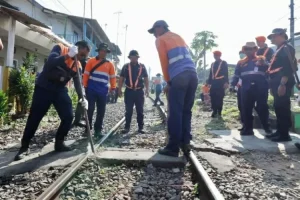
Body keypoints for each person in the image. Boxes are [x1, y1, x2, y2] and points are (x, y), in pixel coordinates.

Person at [14, 41, 89, 161]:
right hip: (44, 87)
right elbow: (50, 63)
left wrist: (83, 97)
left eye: (85, 56)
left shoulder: (78, 65)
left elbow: (78, 83)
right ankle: (24, 147)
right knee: (35, 117)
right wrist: (68, 55)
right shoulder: (60, 48)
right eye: (81, 54)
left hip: (59, 90)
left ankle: (59, 143)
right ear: (76, 49)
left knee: (68, 116)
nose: (82, 58)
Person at [148, 20, 198, 157]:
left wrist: (168, 82)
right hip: (193, 75)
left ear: (160, 28)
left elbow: (164, 61)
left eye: (154, 32)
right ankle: (186, 142)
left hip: (179, 76)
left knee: (175, 112)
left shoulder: (161, 39)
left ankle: (173, 147)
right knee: (186, 111)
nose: (154, 35)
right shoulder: (178, 36)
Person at [232, 42, 272, 136]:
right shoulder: (241, 62)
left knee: (262, 107)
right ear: (244, 50)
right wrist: (232, 85)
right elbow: (236, 75)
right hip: (245, 88)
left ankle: (267, 128)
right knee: (246, 108)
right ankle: (248, 129)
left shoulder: (261, 59)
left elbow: (269, 68)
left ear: (255, 50)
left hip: (261, 87)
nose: (249, 51)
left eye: (251, 49)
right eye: (247, 49)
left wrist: (264, 63)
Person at [266, 28, 297, 142]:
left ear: (282, 35)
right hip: (276, 81)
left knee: (283, 108)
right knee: (278, 107)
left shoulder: (287, 48)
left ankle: (284, 134)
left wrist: (282, 84)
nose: (272, 39)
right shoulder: (279, 49)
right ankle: (280, 131)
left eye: (274, 36)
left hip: (282, 82)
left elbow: (288, 68)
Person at [83, 43, 116, 138]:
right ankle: (87, 129)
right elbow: (86, 74)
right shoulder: (91, 61)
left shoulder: (110, 64)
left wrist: (113, 88)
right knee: (90, 110)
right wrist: (85, 86)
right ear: (99, 51)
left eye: (105, 51)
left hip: (103, 91)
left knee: (101, 111)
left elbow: (112, 77)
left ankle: (98, 130)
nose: (103, 52)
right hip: (91, 89)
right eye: (102, 50)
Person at [118, 50, 149, 134]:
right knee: (128, 110)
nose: (134, 59)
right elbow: (121, 78)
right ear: (130, 58)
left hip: (139, 92)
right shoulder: (125, 66)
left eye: (135, 57)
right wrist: (119, 89)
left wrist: (147, 89)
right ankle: (127, 127)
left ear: (137, 57)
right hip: (129, 91)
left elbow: (146, 78)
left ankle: (140, 127)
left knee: (140, 110)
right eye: (132, 57)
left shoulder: (142, 67)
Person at [207, 51, 229, 118]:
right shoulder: (213, 64)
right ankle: (214, 111)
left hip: (220, 82)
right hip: (214, 83)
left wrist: (226, 82)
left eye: (216, 55)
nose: (215, 56)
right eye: (214, 55)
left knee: (219, 97)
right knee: (213, 96)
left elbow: (226, 73)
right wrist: (208, 82)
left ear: (219, 56)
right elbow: (211, 74)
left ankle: (219, 112)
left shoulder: (224, 63)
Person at [73, 53, 91, 128]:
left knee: (83, 100)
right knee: (82, 100)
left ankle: (81, 116)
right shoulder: (83, 63)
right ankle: (77, 119)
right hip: (82, 84)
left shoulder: (83, 62)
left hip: (84, 83)